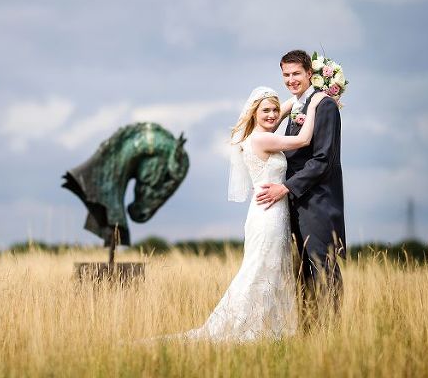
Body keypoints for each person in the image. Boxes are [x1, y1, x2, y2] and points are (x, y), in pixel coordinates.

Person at [138, 86, 326, 344]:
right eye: (265, 111)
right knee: (258, 270)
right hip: (267, 215)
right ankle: (246, 327)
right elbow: (304, 140)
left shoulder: (258, 133)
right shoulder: (260, 139)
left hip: (272, 212)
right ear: (254, 114)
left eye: (274, 110)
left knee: (271, 271)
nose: (272, 115)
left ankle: (268, 328)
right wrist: (315, 103)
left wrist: (296, 99)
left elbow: (279, 111)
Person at [255, 50, 346, 327]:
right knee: (302, 269)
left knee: (323, 266)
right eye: (286, 75)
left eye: (296, 73)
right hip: (296, 203)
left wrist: (286, 188)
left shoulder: (325, 106)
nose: (291, 79)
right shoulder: (297, 106)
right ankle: (309, 329)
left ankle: (329, 331)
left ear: (310, 73)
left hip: (318, 202)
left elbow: (323, 159)